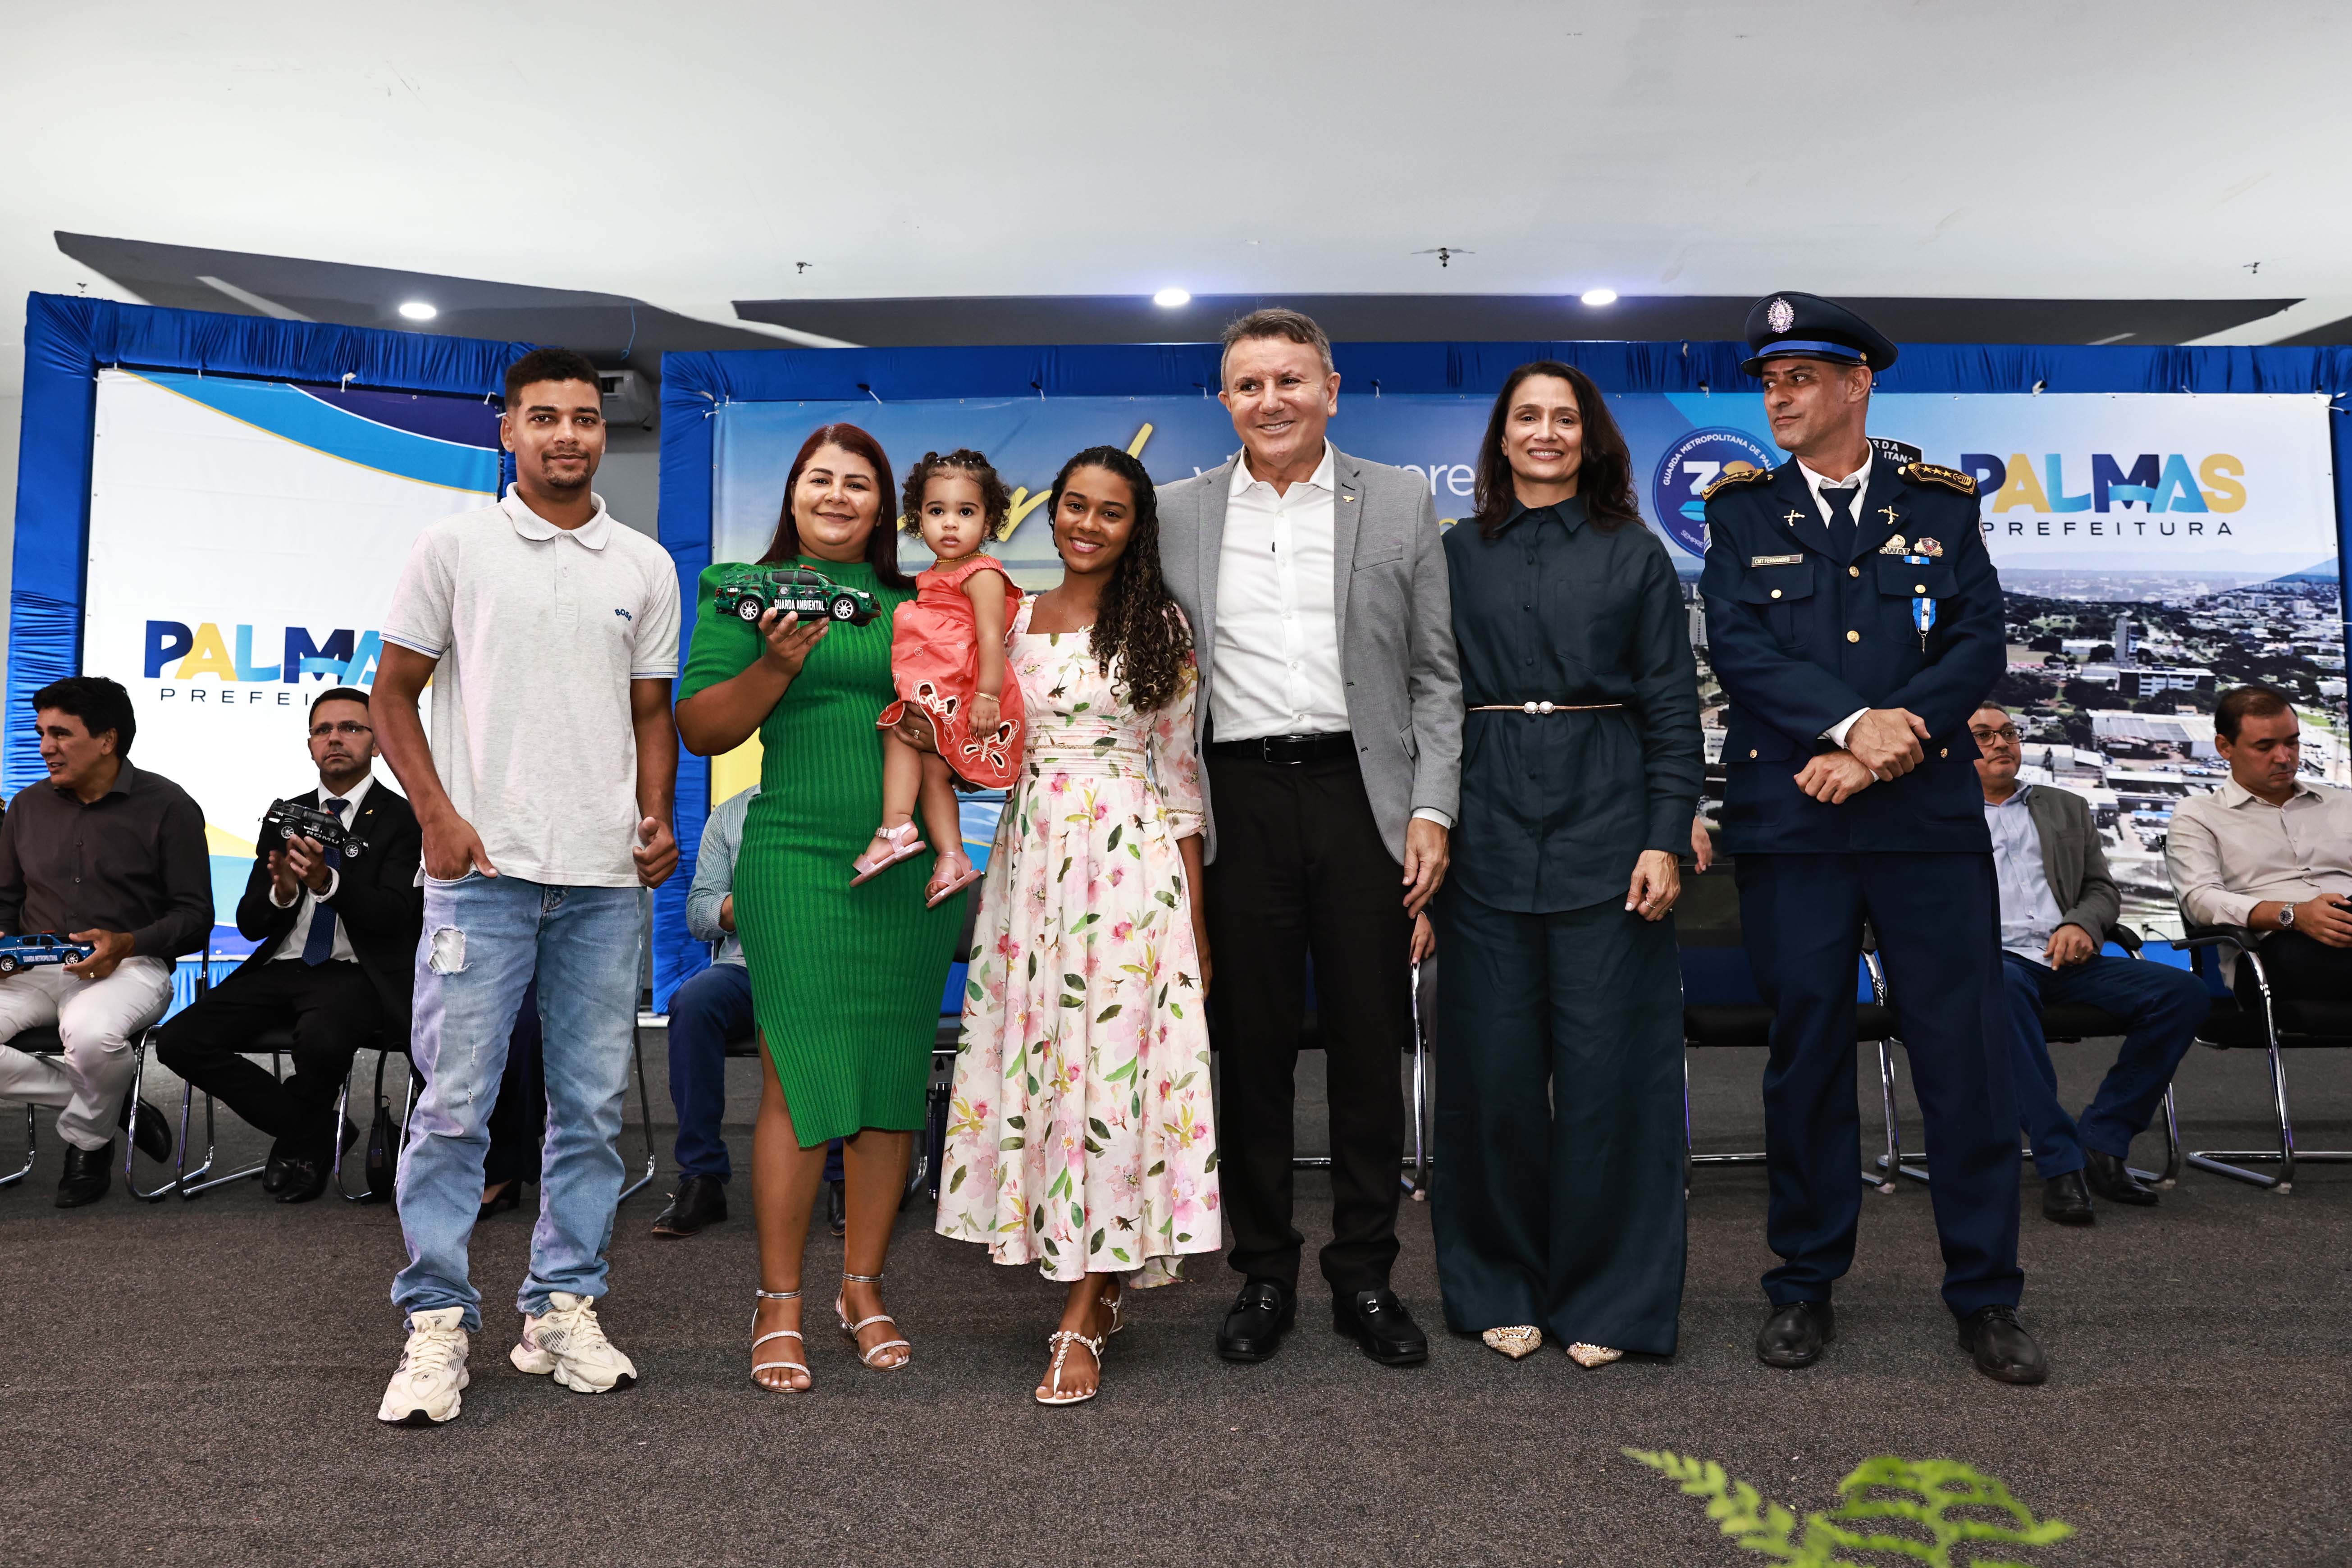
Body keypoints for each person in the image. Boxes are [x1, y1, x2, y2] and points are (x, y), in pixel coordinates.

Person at [1700, 293, 2044, 1385]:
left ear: (1857, 383)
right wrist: (1854, 727)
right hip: (1795, 824)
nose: (1778, 396)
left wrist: (1888, 744)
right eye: (1767, 381)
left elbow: (1978, 640)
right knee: (1804, 1061)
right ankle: (1802, 1285)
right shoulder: (1739, 512)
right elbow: (1738, 645)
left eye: (1798, 377)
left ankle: (1985, 1295)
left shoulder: (1941, 505)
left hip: (1922, 826)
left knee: (1963, 1060)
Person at [371, 346, 682, 1426]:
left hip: (602, 883)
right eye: (544, 416)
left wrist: (657, 817)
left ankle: (561, 1309)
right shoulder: (453, 546)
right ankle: (436, 1326)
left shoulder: (642, 564)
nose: (567, 435)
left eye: (586, 418)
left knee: (591, 1111)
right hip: (480, 877)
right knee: (453, 1109)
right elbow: (392, 696)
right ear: (506, 428)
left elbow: (651, 711)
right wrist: (438, 819)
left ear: (605, 431)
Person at [1156, 308, 1463, 1368]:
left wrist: (1431, 810)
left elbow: (1434, 676)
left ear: (1332, 387)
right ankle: (1263, 1271)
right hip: (1233, 797)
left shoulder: (1398, 497)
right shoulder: (1175, 514)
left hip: (1360, 795)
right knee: (1248, 1048)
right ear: (1225, 400)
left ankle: (1365, 1271)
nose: (1271, 401)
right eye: (1249, 385)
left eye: (1291, 380)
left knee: (1372, 1044)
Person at [675, 423, 963, 1394]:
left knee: (888, 1074)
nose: (837, 496)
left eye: (858, 484)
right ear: (791, 492)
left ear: (886, 506)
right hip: (792, 855)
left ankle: (863, 1284)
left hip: (903, 863)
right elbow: (699, 723)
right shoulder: (738, 591)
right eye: (818, 479)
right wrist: (776, 664)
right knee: (801, 1075)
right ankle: (779, 1299)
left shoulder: (921, 598)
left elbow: (956, 729)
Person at [1431, 362, 1701, 1367]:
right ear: (1499, 440)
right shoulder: (1450, 552)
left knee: (1610, 1080)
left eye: (1563, 418)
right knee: (1489, 1077)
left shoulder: (1634, 554)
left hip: (1611, 829)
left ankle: (1608, 1298)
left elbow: (1672, 706)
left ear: (1587, 438)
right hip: (1481, 828)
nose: (1543, 432)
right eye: (1524, 418)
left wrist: (1664, 832)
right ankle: (1496, 1281)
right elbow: (1423, 695)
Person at [936, 446, 1215, 1405]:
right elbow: (972, 731)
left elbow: (1179, 782)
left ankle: (1082, 1303)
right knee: (1050, 1062)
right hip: (1030, 867)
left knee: (1119, 1073)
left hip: (1132, 864)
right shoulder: (1007, 615)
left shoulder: (1161, 625)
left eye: (1110, 511)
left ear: (1137, 527)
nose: (1087, 525)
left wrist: (1198, 926)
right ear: (1048, 514)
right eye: (1072, 507)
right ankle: (1083, 1280)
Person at [156, 686, 421, 1204]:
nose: (335, 739)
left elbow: (395, 918)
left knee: (321, 1041)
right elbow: (252, 924)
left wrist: (328, 884)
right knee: (178, 1041)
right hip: (281, 964)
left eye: (351, 728)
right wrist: (281, 894)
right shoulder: (287, 814)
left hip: (356, 971)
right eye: (323, 730)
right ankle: (316, 1130)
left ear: (379, 744)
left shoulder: (403, 818)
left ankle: (303, 1140)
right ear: (310, 746)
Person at [1971, 703, 2207, 1222]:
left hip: (2065, 957)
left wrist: (2081, 923)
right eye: (1983, 735)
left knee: (2182, 992)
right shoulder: (1934, 815)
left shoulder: (2064, 806)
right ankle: (2060, 1162)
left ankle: (2104, 1140)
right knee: (2000, 986)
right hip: (1988, 961)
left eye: (2008, 732)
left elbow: (2099, 886)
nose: (2000, 743)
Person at [0, 676, 206, 1206]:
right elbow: (5, 897)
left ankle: (88, 1143)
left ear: (108, 740)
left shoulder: (169, 805)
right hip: (29, 970)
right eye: (42, 732)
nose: (46, 746)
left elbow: (195, 916)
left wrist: (127, 941)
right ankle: (113, 1106)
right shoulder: (25, 806)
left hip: (130, 966)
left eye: (62, 734)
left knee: (92, 1038)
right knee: (96, 1068)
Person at [855, 449, 1023, 908]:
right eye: (936, 511)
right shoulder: (931, 576)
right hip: (938, 689)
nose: (950, 523)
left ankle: (894, 827)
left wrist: (986, 696)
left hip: (962, 692)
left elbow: (992, 639)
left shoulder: (982, 572)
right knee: (932, 772)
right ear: (917, 519)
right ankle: (952, 856)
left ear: (988, 524)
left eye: (965, 512)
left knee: (897, 733)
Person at [2167, 685, 2352, 1003]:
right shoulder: (2198, 814)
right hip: (2271, 951)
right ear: (2225, 747)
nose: (2284, 757)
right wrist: (2293, 915)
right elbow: (2200, 900)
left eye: (2292, 742)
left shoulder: (2343, 803)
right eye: (2264, 747)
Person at [650, 782, 758, 1238]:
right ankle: (701, 1177)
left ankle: (841, 1176)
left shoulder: (847, 804)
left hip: (823, 967)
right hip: (745, 968)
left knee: (837, 1006)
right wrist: (754, 897)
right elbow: (698, 914)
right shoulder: (731, 815)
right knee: (692, 1001)